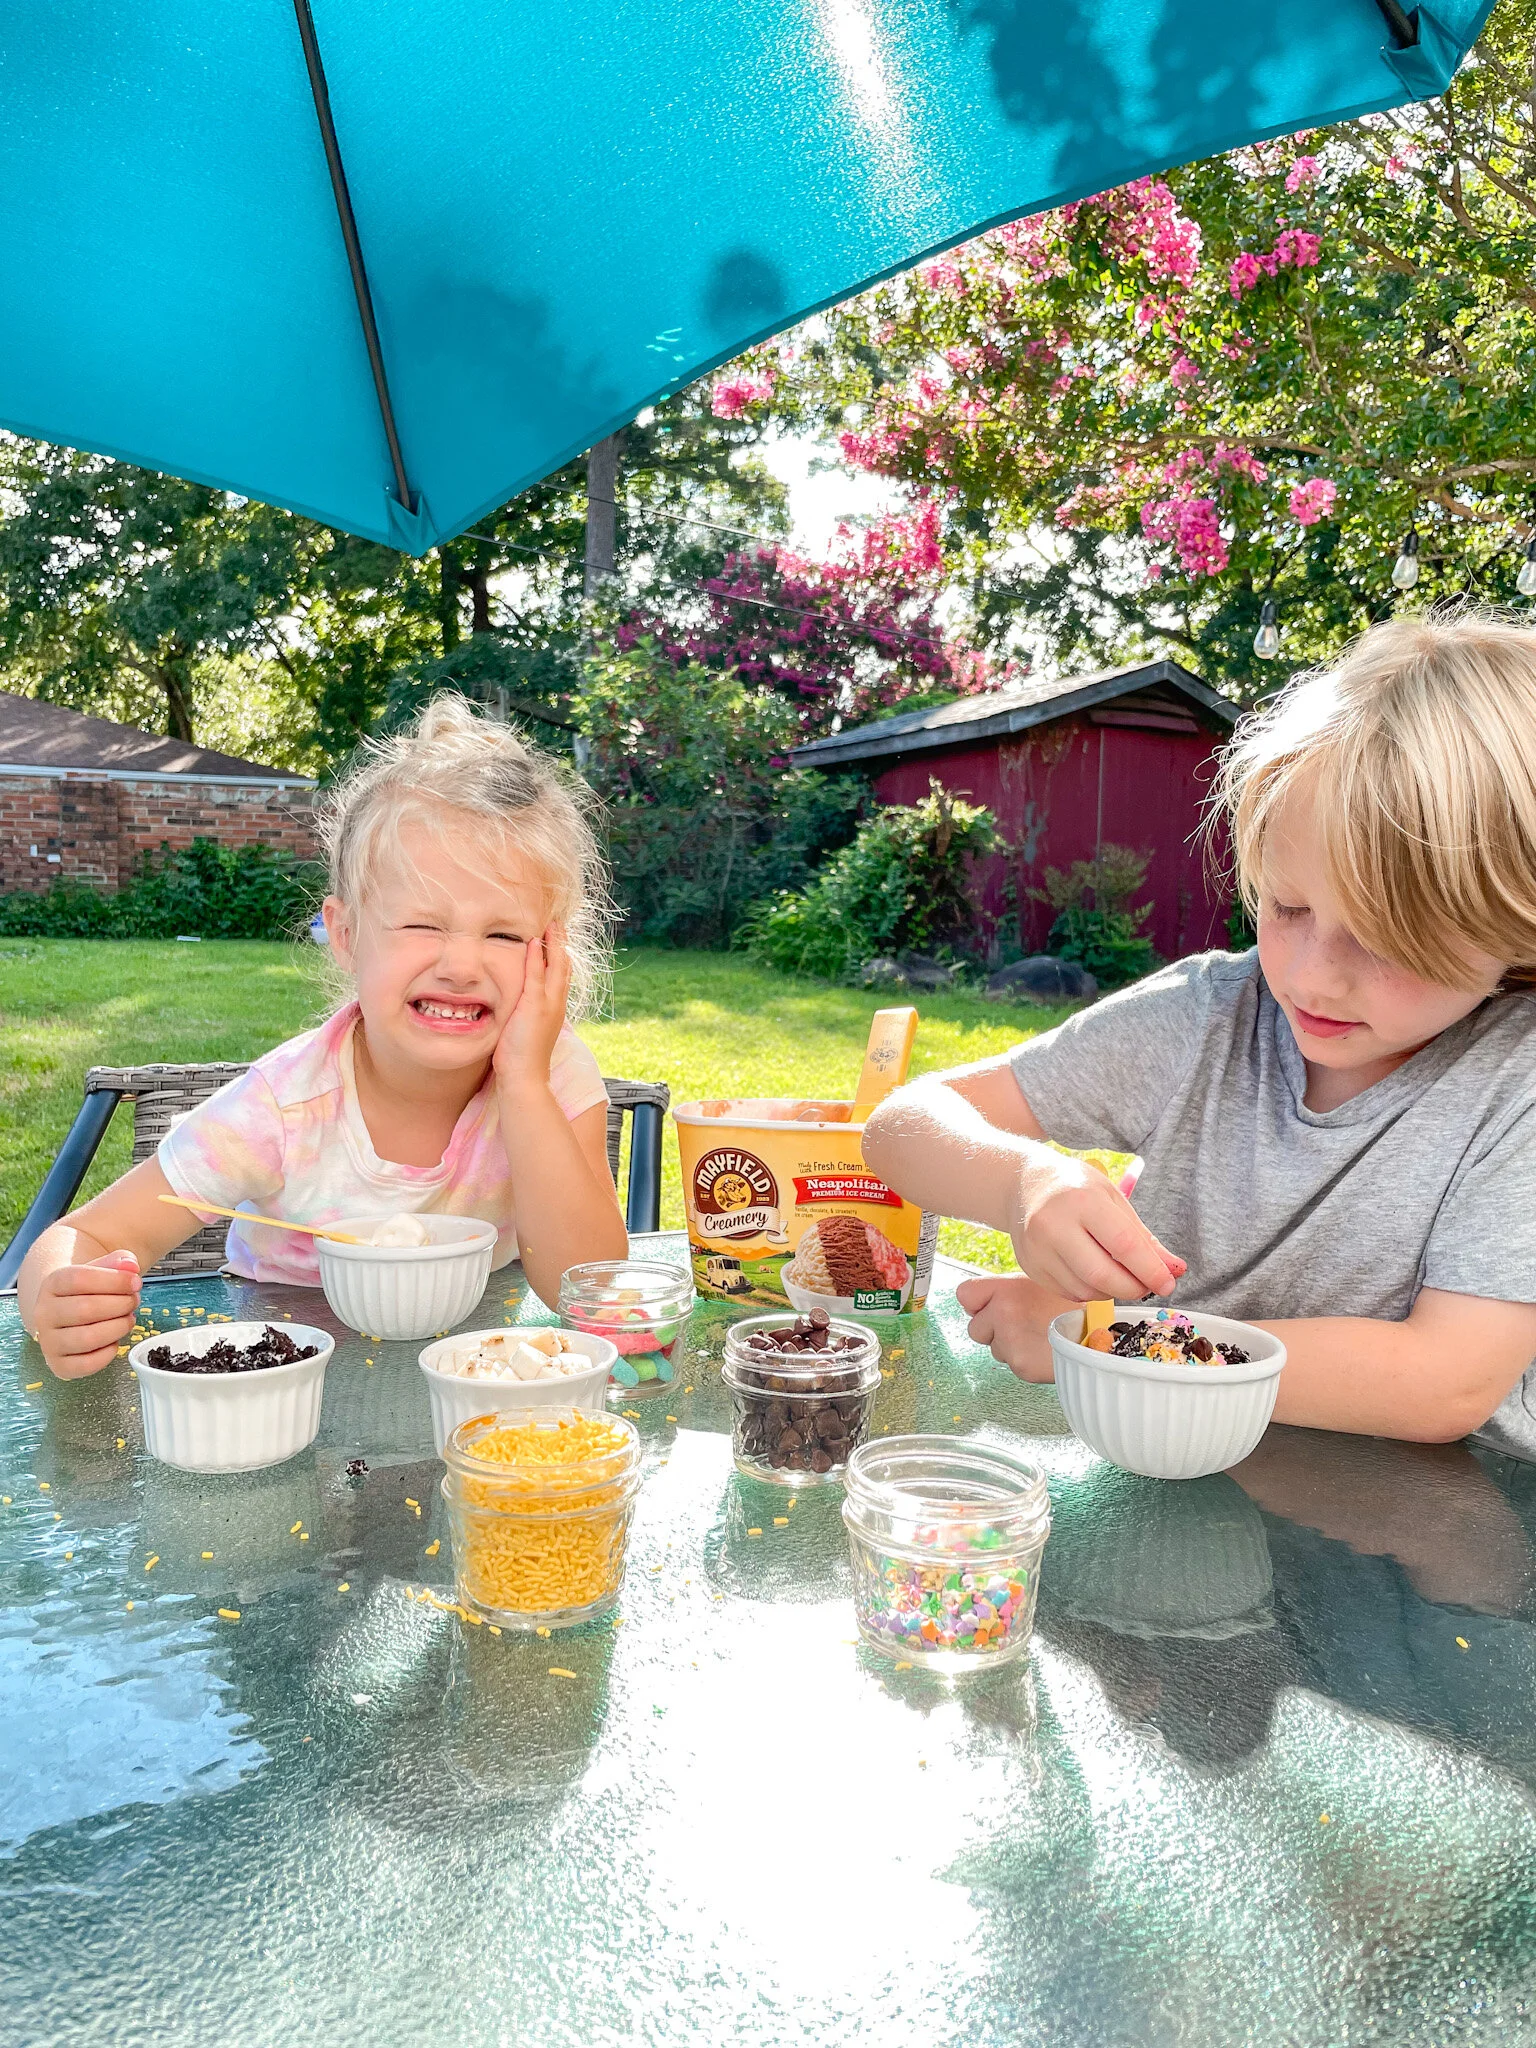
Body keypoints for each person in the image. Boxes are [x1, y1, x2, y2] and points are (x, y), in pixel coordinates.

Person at [862, 611, 1536, 1453]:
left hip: (1441, 1518)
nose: (1312, 977)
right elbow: (902, 1123)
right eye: (1287, 907)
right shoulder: (1209, 1017)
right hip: (1187, 1475)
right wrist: (1022, 1184)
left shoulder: (1519, 1082)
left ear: (1515, 928)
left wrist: (1107, 1343)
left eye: (1391, 940)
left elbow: (1443, 1384)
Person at [19, 695, 628, 1375]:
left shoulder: (551, 1076)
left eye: (505, 934)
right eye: (422, 924)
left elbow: (590, 1291)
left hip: (477, 1382)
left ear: (552, 956)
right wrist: (57, 1299)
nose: (462, 966)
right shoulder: (283, 1108)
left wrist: (523, 1086)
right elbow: (86, 1235)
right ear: (345, 935)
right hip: (286, 1382)